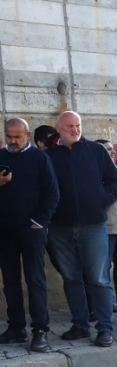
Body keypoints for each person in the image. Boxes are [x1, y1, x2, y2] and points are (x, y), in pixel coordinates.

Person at [0, 118, 60, 352]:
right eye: (9, 136)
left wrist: (39, 222)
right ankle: (16, 329)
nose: (12, 141)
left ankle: (40, 331)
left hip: (32, 230)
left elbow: (52, 194)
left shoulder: (39, 158)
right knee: (10, 281)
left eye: (17, 136)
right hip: (3, 230)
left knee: (35, 280)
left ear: (27, 134)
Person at [45, 111, 117, 347]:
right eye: (69, 126)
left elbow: (114, 180)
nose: (75, 129)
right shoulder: (48, 156)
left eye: (78, 125)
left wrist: (102, 199)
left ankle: (105, 329)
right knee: (71, 278)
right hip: (60, 227)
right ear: (59, 129)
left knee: (98, 279)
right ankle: (80, 326)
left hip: (93, 226)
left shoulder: (95, 151)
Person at [98, 139, 117, 315]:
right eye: (106, 150)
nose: (111, 152)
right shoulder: (95, 175)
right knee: (102, 270)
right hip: (104, 229)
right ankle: (105, 306)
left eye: (112, 149)